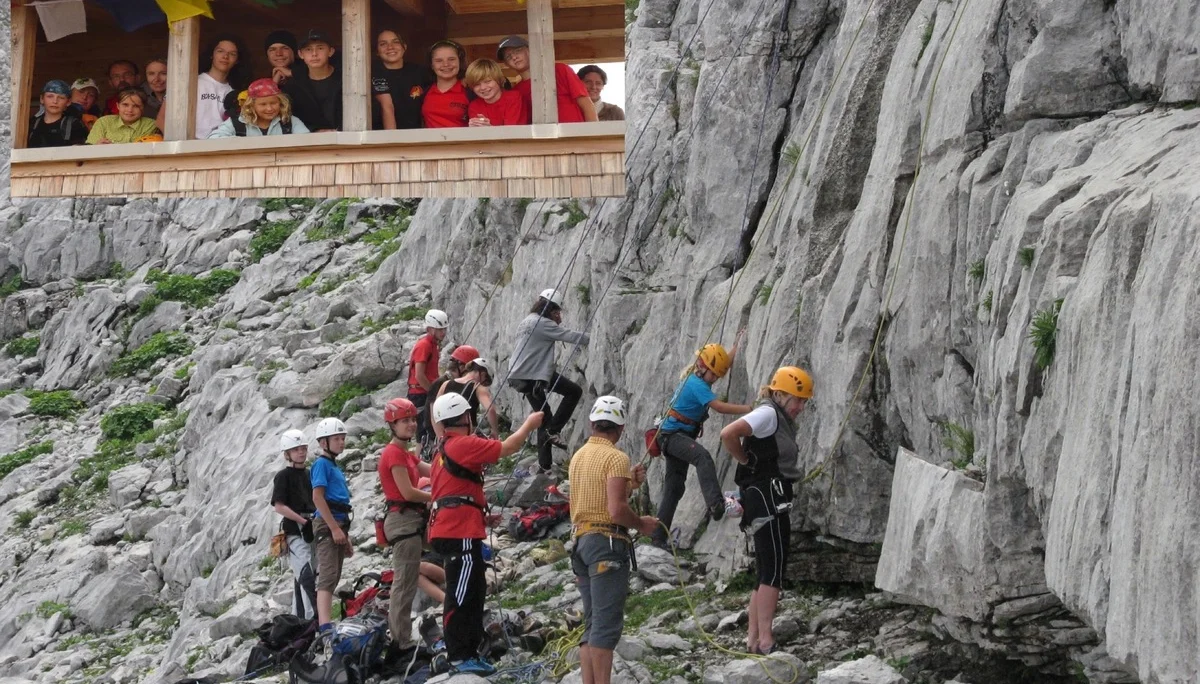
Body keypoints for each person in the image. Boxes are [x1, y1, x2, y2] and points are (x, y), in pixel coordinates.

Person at [427, 392, 543, 675]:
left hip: (455, 524)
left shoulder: (442, 450)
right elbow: (506, 448)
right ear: (465, 418)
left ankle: (467, 650)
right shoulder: (462, 444)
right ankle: (458, 655)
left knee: (473, 588)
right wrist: (529, 424)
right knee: (462, 592)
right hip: (459, 529)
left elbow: (453, 488)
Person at [719, 366, 813, 656]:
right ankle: (766, 640)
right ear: (781, 394)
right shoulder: (768, 413)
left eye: (803, 402)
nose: (800, 407)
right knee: (773, 569)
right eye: (797, 399)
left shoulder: (774, 414)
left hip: (763, 495)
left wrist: (749, 462)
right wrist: (746, 459)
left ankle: (754, 639)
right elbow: (728, 433)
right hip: (767, 495)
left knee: (764, 568)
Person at [568, 396, 658, 684]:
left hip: (580, 544)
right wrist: (642, 524)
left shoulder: (579, 456)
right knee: (605, 629)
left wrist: (630, 482)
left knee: (592, 623)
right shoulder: (616, 458)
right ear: (620, 429)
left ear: (592, 424)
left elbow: (600, 493)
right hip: (606, 545)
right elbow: (616, 509)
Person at [651, 333, 752, 549]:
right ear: (702, 367)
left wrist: (735, 346)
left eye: (717, 376)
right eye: (713, 375)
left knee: (674, 488)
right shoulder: (695, 383)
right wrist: (749, 409)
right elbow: (720, 407)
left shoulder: (700, 377)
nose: (715, 379)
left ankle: (658, 537)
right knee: (702, 457)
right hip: (673, 436)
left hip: (676, 436)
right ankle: (716, 504)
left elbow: (721, 366)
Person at [507, 288, 589, 473]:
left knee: (542, 418)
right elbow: (570, 336)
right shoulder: (543, 323)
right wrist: (593, 338)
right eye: (557, 312)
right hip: (532, 374)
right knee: (574, 391)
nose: (558, 315)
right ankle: (554, 431)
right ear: (551, 310)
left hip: (519, 374)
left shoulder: (527, 320)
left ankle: (544, 466)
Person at [377, 398, 432, 660]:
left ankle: (402, 637)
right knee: (404, 582)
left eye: (413, 419)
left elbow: (431, 471)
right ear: (393, 424)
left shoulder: (406, 454)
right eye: (405, 420)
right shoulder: (393, 454)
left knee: (407, 580)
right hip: (404, 522)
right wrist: (435, 496)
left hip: (410, 521)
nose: (411, 424)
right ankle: (401, 642)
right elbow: (407, 492)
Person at [310, 417, 355, 646]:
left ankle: (326, 624)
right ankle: (325, 629)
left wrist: (343, 534)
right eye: (337, 438)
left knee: (334, 574)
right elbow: (318, 497)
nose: (341, 442)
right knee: (327, 576)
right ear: (324, 442)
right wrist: (335, 529)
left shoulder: (333, 465)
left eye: (343, 438)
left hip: (338, 522)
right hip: (329, 524)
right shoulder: (321, 465)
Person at [271, 428, 317, 620]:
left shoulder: (309, 473)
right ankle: (311, 619)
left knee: (307, 573)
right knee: (306, 574)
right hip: (295, 530)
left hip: (311, 525)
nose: (301, 452)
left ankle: (298, 619)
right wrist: (302, 520)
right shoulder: (283, 476)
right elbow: (279, 506)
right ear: (287, 453)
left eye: (303, 448)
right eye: (296, 449)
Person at [497, 35, 597, 123]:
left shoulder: (560, 70)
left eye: (517, 51)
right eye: (508, 56)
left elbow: (586, 104)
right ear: (506, 64)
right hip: (543, 142)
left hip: (576, 138)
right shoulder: (517, 91)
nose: (514, 57)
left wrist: (593, 137)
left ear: (529, 50)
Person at [372, 29, 433, 130]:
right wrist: (393, 141)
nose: (390, 47)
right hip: (385, 137)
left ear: (404, 47)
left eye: (395, 42)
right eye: (383, 44)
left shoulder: (419, 71)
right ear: (377, 51)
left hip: (418, 135)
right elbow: (387, 107)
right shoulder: (374, 72)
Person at [283, 30, 343, 132]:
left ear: (330, 51)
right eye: (308, 49)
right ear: (300, 54)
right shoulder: (293, 87)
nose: (314, 54)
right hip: (308, 142)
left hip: (347, 139)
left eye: (320, 48)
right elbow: (288, 118)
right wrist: (314, 130)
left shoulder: (347, 80)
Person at [208, 78, 309, 138]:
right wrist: (243, 143)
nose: (269, 109)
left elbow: (307, 141)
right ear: (252, 106)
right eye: (263, 104)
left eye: (273, 103)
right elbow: (213, 138)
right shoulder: (238, 122)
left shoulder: (290, 122)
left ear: (281, 103)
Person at [408, 309, 449, 451]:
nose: (443, 332)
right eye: (439, 329)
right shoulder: (424, 345)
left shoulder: (433, 344)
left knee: (429, 429)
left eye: (444, 329)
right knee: (423, 432)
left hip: (425, 391)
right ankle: (419, 464)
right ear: (430, 329)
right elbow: (419, 375)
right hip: (420, 393)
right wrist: (433, 393)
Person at [197, 34, 251, 139]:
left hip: (221, 146)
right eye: (220, 51)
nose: (225, 56)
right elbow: (163, 119)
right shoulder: (194, 82)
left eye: (232, 54)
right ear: (211, 54)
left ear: (237, 60)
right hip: (190, 147)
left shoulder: (236, 93)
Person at [433, 358, 499, 440]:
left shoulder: (446, 384)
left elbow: (435, 411)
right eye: (485, 381)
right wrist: (495, 431)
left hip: (448, 433)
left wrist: (440, 435)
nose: (484, 384)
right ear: (482, 374)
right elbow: (490, 409)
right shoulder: (478, 387)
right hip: (467, 433)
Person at [465, 59, 529, 127]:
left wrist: (490, 129)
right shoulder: (474, 106)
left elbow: (513, 132)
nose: (483, 87)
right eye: (477, 84)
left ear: (498, 80)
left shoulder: (514, 97)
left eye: (487, 81)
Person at [86, 88, 160, 144]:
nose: (130, 110)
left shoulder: (151, 125)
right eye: (125, 105)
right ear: (118, 106)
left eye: (136, 106)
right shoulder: (104, 122)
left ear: (143, 107)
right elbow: (88, 150)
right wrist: (97, 146)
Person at [422, 40, 469, 128]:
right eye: (439, 61)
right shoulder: (424, 91)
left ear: (460, 61)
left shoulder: (470, 91)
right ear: (432, 65)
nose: (446, 64)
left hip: (463, 141)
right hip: (431, 141)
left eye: (451, 59)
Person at [28, 80, 87, 148]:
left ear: (68, 102)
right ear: (42, 99)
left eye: (61, 97)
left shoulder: (73, 124)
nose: (55, 101)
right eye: (50, 96)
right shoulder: (32, 124)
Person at [141, 58, 167, 126]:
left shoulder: (181, 97)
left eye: (163, 73)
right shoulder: (139, 96)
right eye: (151, 74)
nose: (157, 79)